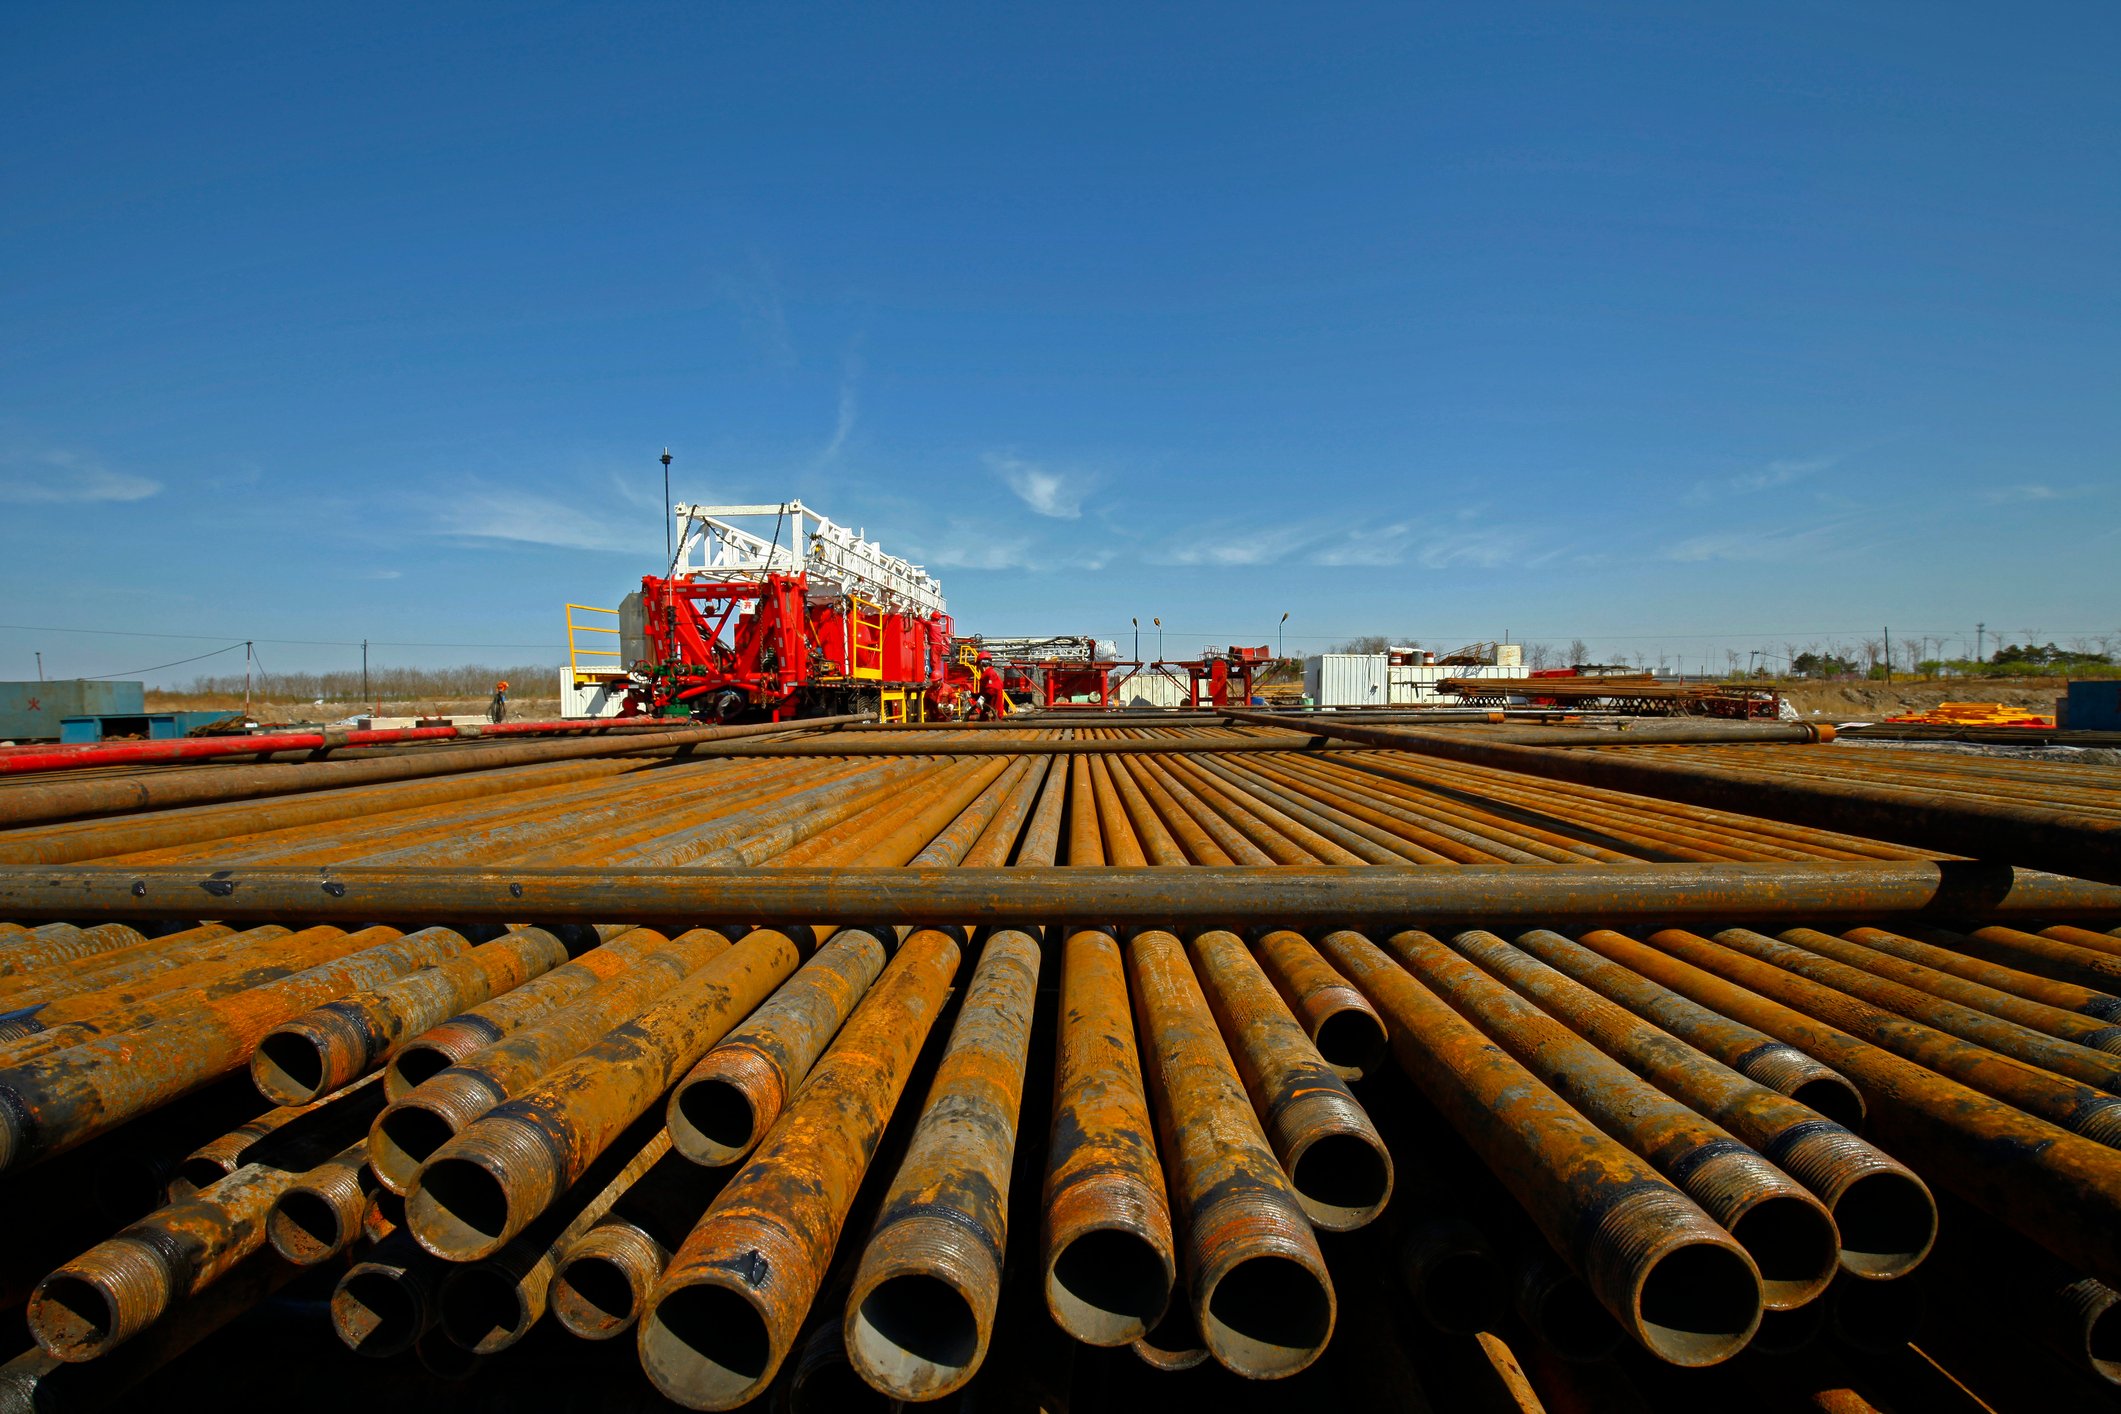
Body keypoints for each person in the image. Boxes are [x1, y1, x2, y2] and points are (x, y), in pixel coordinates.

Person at [975, 653, 1010, 720]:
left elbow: (992, 690)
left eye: (978, 665)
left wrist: (982, 698)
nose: (978, 668)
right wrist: (973, 695)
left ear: (982, 664)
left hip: (993, 715)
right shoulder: (986, 675)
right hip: (988, 713)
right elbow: (985, 693)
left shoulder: (990, 673)